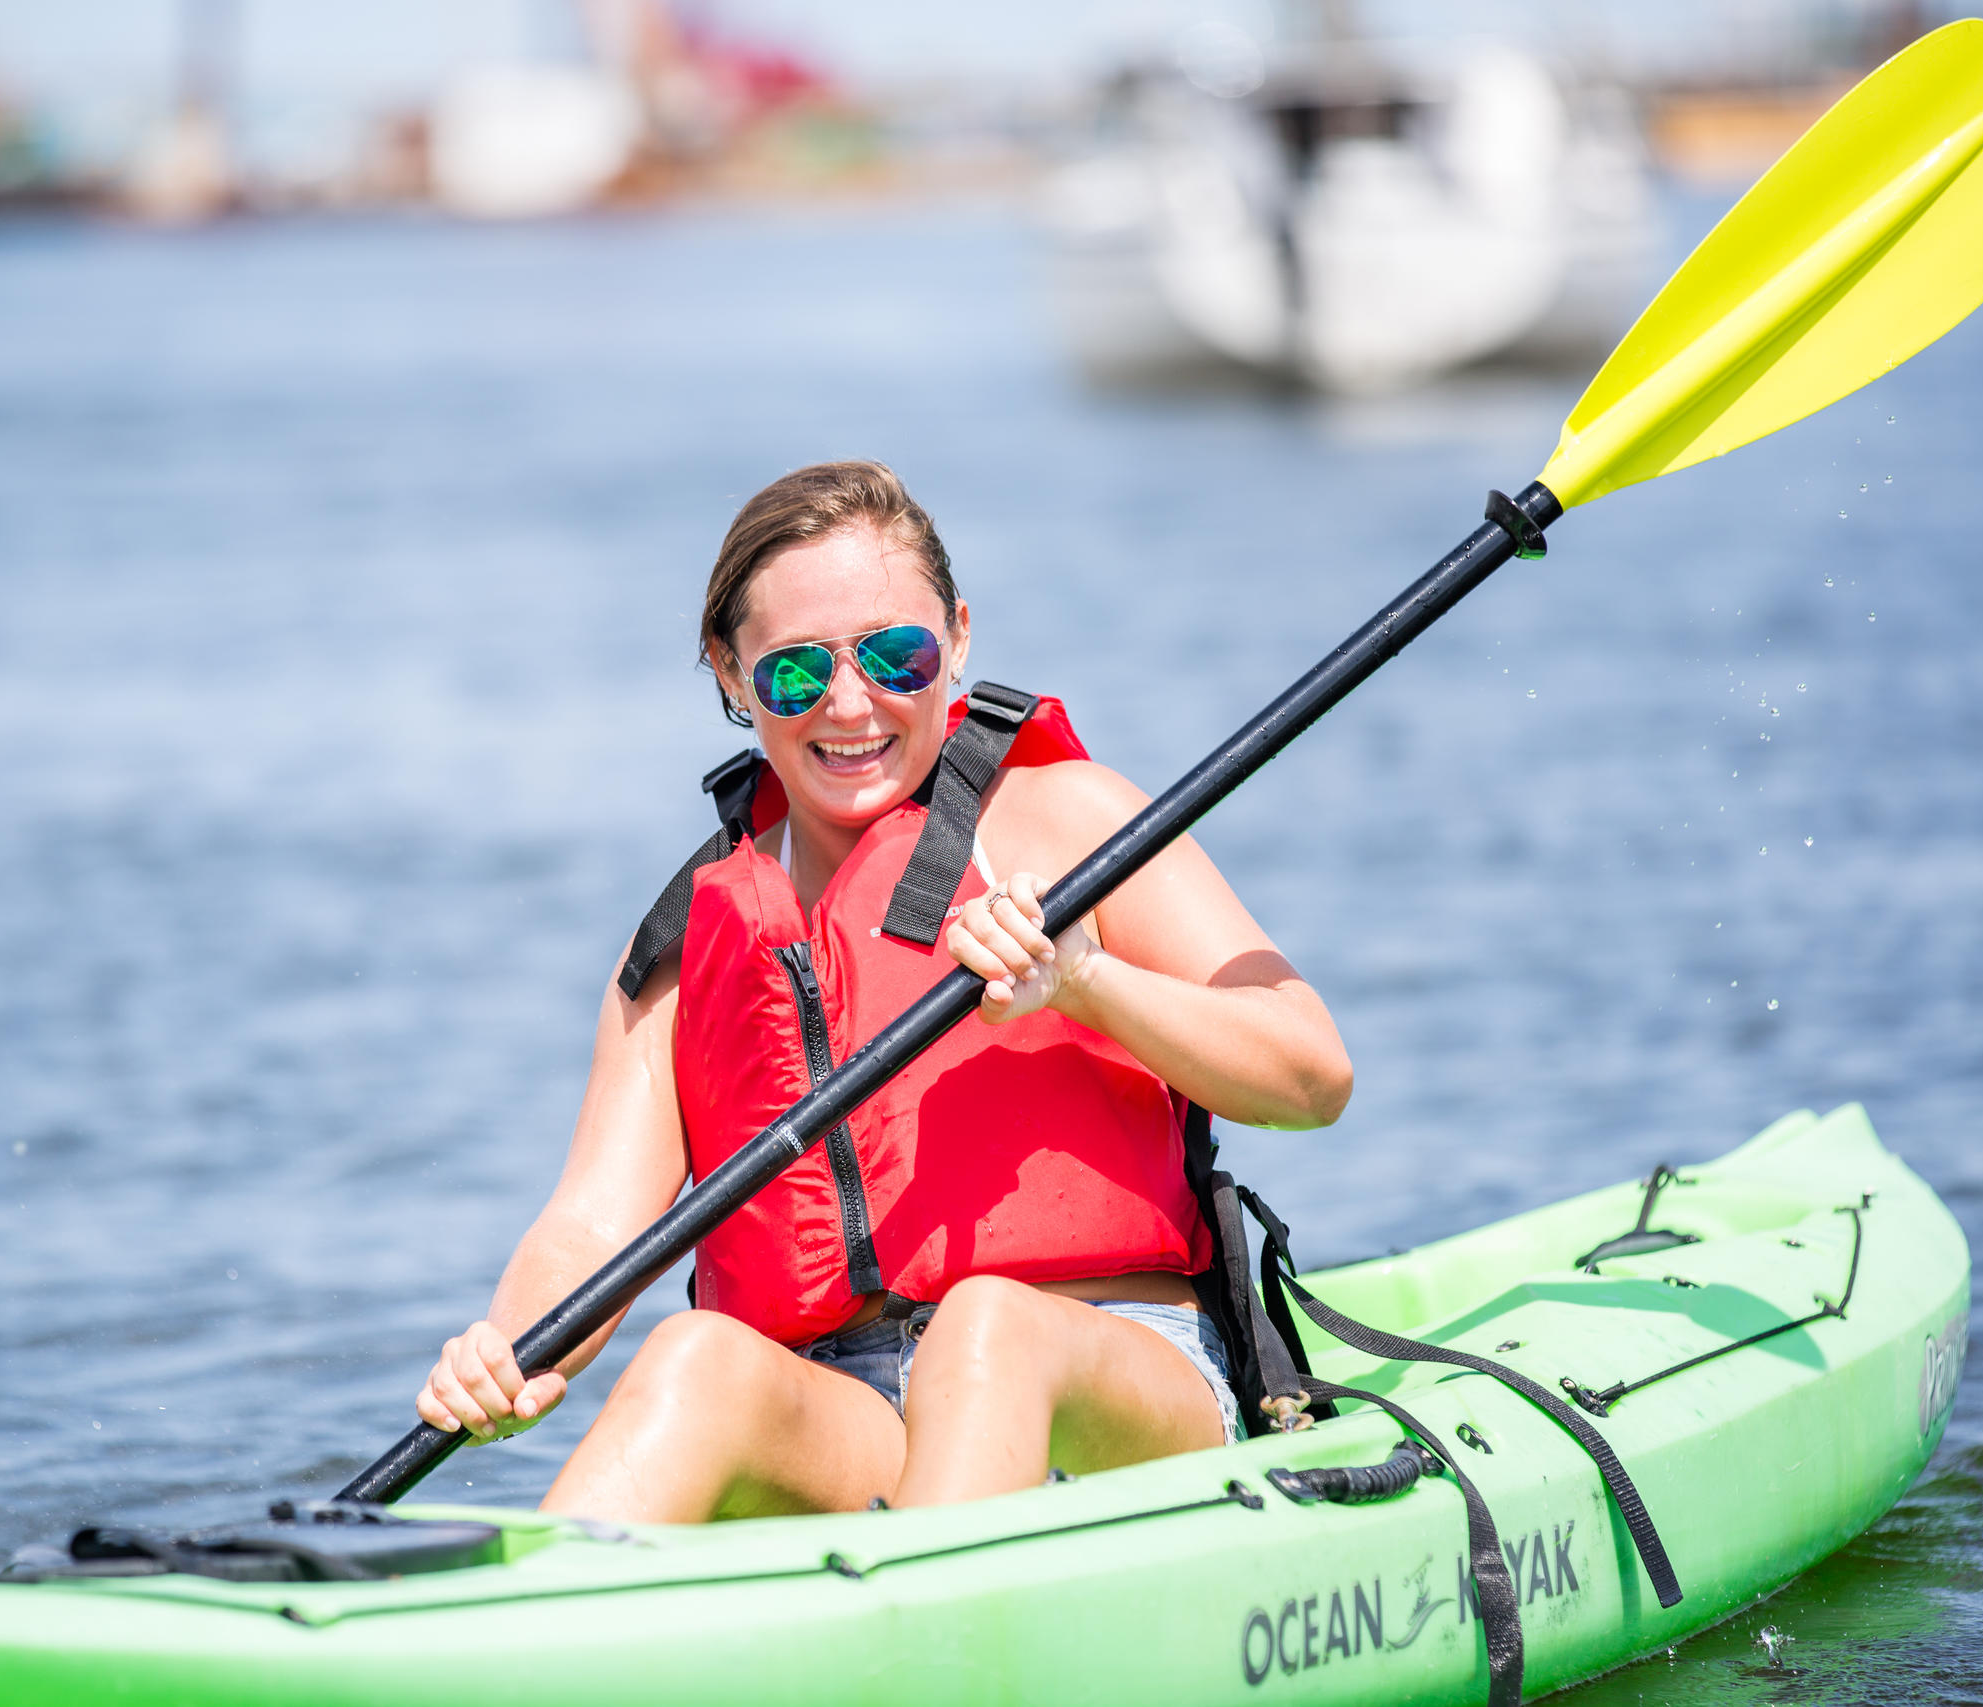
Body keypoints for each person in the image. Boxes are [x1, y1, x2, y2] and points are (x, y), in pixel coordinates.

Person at [417, 461, 1351, 1521]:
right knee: (695, 1358)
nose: (851, 704)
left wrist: (1085, 981)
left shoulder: (1068, 822)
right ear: (729, 674)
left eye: (895, 656)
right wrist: (507, 1352)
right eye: (794, 673)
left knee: (987, 1326)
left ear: (953, 638)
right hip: (856, 1416)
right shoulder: (691, 938)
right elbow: (590, 1228)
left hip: (1114, 1388)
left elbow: (1311, 1076)